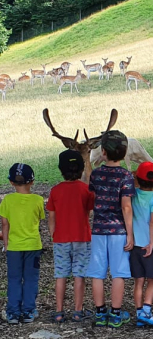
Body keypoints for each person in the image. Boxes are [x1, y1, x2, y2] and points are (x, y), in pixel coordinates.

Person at [87, 129, 135, 328]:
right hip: (118, 232)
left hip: (98, 230)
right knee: (118, 273)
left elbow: (93, 198)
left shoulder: (96, 174)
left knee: (97, 273)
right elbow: (126, 206)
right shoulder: (126, 176)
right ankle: (115, 314)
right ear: (124, 153)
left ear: (103, 152)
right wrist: (130, 233)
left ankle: (99, 313)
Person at [47, 149, 95, 322]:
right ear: (81, 169)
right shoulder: (86, 189)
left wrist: (54, 234)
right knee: (79, 274)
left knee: (60, 274)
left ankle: (59, 311)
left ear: (61, 169)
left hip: (61, 239)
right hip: (82, 237)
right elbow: (88, 212)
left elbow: (51, 217)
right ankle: (77, 311)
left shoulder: (55, 191)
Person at [0, 163, 45, 324]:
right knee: (31, 279)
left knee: (14, 279)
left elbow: (5, 225)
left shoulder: (7, 200)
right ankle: (28, 311)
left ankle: (12, 313)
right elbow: (39, 220)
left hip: (13, 246)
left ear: (11, 182)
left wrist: (6, 244)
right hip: (33, 245)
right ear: (32, 181)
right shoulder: (38, 200)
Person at [130, 161, 153, 328]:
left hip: (135, 245)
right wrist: (151, 242)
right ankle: (147, 312)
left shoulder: (133, 195)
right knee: (152, 279)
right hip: (152, 245)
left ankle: (138, 312)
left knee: (139, 281)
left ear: (137, 178)